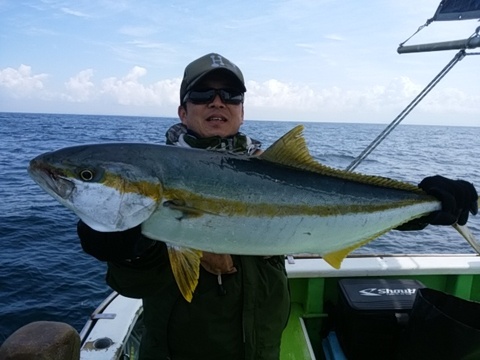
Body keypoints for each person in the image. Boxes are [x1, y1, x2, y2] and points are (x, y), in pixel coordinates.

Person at [78, 53, 478, 360]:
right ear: (183, 111)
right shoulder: (156, 174)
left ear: (241, 111)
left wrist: (422, 208)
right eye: (202, 94)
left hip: (262, 346)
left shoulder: (270, 166)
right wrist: (126, 250)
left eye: (230, 95)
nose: (217, 102)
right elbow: (134, 286)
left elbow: (326, 213)